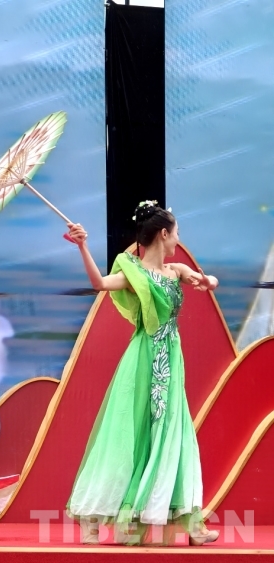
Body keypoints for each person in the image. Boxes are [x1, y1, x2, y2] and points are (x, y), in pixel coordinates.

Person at [64, 201, 220, 546]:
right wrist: (82, 246)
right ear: (163, 234)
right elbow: (99, 283)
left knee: (173, 431)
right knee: (126, 433)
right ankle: (93, 517)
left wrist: (207, 281)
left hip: (170, 360)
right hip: (143, 359)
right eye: (176, 233)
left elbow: (209, 281)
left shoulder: (176, 271)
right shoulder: (133, 273)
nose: (178, 239)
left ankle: (191, 524)